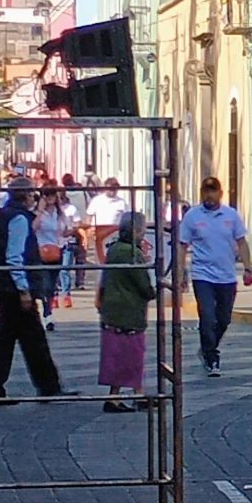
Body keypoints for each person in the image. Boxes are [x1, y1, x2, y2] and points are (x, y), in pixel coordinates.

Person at [0, 179, 65, 402]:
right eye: (31, 194)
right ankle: (46, 386)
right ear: (26, 196)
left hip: (3, 286)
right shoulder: (18, 219)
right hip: (13, 289)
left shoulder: (3, 215)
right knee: (27, 338)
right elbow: (14, 257)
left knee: (11, 338)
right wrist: (23, 289)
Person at [180, 176, 252, 378]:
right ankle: (211, 356)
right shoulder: (193, 216)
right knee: (207, 317)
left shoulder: (231, 215)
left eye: (213, 191)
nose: (209, 195)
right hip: (202, 274)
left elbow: (242, 242)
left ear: (220, 193)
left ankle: (208, 347)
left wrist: (247, 268)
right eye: (206, 191)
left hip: (227, 276)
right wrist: (181, 272)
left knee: (223, 319)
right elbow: (182, 245)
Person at [96, 212, 156, 413]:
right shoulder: (132, 254)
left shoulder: (114, 250)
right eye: (142, 230)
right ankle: (120, 398)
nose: (143, 233)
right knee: (132, 353)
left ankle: (129, 394)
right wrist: (152, 290)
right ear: (135, 230)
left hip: (112, 309)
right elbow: (144, 285)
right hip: (128, 310)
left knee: (120, 354)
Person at [32, 187, 71, 330]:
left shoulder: (59, 214)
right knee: (46, 285)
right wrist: (40, 212)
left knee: (52, 286)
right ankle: (46, 314)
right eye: (47, 195)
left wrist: (70, 232)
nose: (50, 198)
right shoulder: (37, 214)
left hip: (56, 251)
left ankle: (48, 312)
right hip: (41, 251)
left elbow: (64, 231)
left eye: (53, 195)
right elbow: (33, 229)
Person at [86, 176, 130, 266]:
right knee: (100, 260)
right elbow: (89, 216)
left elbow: (127, 218)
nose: (112, 191)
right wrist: (89, 230)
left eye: (114, 188)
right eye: (110, 188)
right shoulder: (97, 200)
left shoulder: (122, 202)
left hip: (115, 235)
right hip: (100, 234)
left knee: (115, 259)